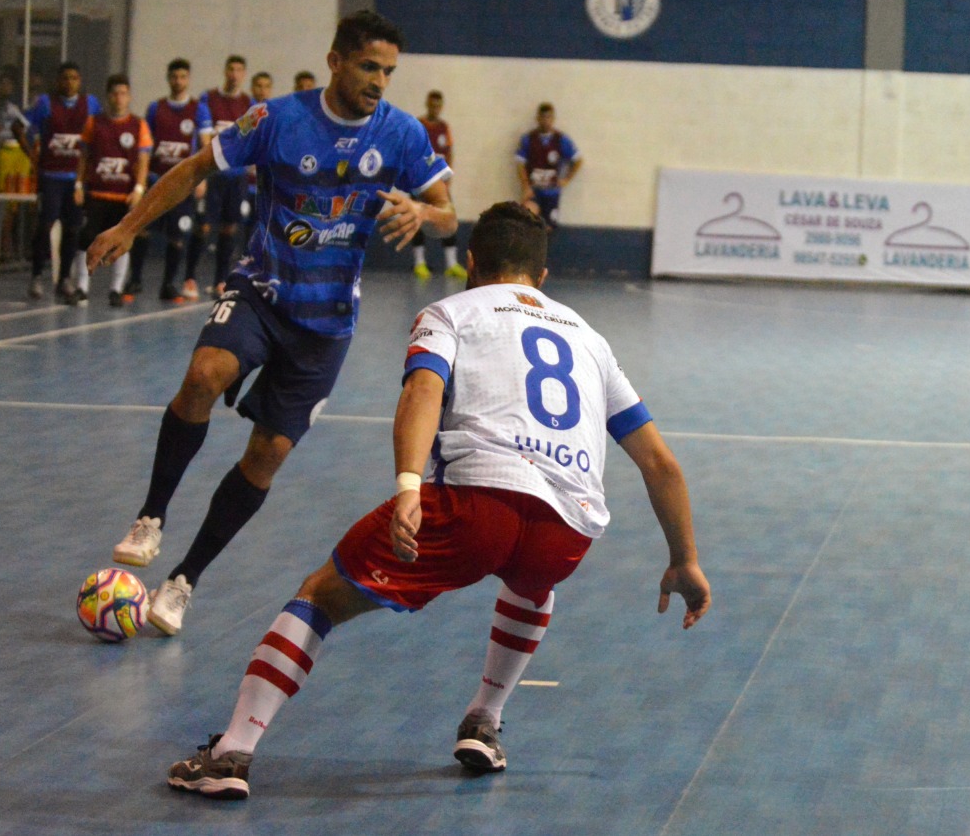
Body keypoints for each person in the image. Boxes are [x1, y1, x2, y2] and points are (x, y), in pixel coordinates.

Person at [164, 201, 712, 801]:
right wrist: (684, 559)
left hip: (477, 507)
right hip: (569, 529)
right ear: (544, 277)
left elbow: (424, 389)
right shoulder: (590, 338)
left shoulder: (449, 311)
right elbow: (661, 462)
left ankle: (231, 752)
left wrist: (407, 486)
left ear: (472, 265)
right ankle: (485, 721)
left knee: (321, 595)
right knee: (533, 582)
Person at [86, 9, 457, 635]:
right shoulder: (277, 119)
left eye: (389, 71)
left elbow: (450, 213)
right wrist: (129, 225)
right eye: (370, 66)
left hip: (327, 325)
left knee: (266, 455)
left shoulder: (401, 134)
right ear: (336, 61)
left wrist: (424, 211)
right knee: (204, 375)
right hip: (261, 289)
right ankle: (151, 515)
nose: (379, 81)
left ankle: (184, 580)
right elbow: (194, 169)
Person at [129, 58, 213, 302]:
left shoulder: (199, 109)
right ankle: (135, 279)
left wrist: (201, 180)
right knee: (143, 228)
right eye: (174, 77)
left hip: (183, 183)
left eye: (183, 77)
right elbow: (146, 145)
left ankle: (168, 284)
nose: (178, 81)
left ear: (188, 79)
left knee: (178, 234)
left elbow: (205, 149)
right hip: (157, 179)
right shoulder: (156, 108)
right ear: (168, 78)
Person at [65, 74, 151, 307]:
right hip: (97, 193)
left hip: (123, 195)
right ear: (108, 96)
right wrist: (78, 184)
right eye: (114, 93)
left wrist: (139, 188)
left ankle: (116, 289)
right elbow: (84, 156)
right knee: (85, 238)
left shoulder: (138, 125)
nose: (119, 98)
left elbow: (143, 159)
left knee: (122, 241)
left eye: (123, 93)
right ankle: (82, 287)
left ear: (129, 96)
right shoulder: (95, 123)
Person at [24, 62, 101, 300]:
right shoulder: (45, 103)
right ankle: (37, 275)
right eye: (65, 78)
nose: (70, 82)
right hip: (51, 176)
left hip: (76, 178)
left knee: (73, 228)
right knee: (45, 225)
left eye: (74, 78)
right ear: (58, 81)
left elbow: (97, 138)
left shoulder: (90, 104)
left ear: (80, 81)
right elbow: (23, 129)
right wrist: (33, 156)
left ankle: (64, 278)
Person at [189, 55, 251, 300]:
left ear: (244, 74)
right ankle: (190, 277)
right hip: (214, 175)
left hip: (236, 177)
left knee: (229, 228)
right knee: (203, 226)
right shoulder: (209, 99)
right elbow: (204, 140)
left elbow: (251, 138)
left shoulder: (249, 103)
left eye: (239, 70)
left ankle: (220, 280)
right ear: (225, 72)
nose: (234, 74)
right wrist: (202, 175)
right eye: (231, 69)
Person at [410, 90, 464, 280]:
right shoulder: (418, 125)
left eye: (438, 105)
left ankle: (451, 264)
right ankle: (419, 263)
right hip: (420, 182)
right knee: (418, 220)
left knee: (448, 217)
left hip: (440, 183)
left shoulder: (444, 127)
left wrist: (448, 178)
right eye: (432, 105)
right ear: (427, 104)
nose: (435, 108)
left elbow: (449, 153)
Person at [516, 102, 582, 230]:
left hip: (551, 191)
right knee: (527, 221)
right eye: (543, 117)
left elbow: (578, 160)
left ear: (553, 119)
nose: (546, 121)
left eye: (549, 117)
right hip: (533, 190)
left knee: (548, 228)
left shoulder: (561, 140)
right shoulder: (528, 139)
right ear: (537, 118)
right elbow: (520, 163)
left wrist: (566, 179)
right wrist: (525, 185)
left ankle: (544, 249)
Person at [236, 71, 274, 244]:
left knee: (261, 229)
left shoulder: (275, 115)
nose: (262, 91)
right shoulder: (247, 114)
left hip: (265, 185)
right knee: (239, 227)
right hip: (244, 183)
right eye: (259, 86)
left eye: (266, 86)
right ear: (252, 88)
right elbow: (239, 139)